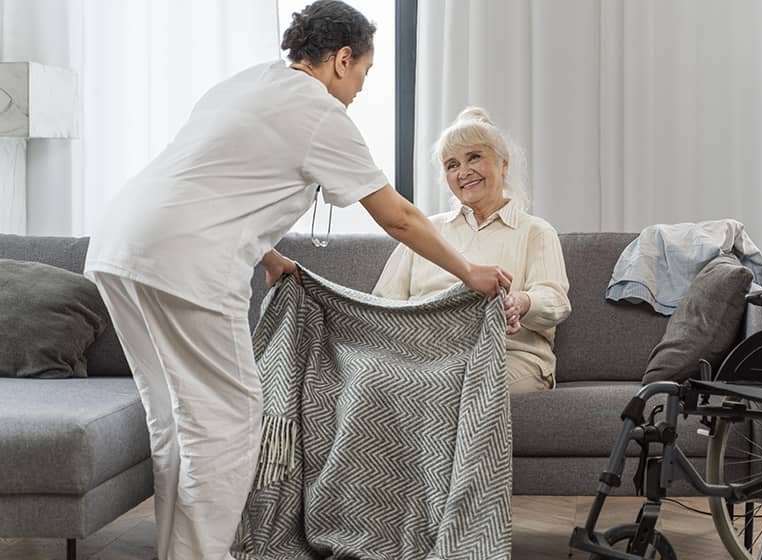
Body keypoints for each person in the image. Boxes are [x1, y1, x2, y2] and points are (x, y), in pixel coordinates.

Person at [82, 3, 512, 559]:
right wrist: (470, 271)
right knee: (230, 427)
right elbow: (397, 216)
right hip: (185, 268)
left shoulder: (246, 83)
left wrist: (268, 255)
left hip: (120, 247)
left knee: (173, 420)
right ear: (341, 59)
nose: (359, 87)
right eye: (363, 73)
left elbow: (214, 181)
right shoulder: (319, 112)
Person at [373, 107, 571, 396]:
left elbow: (555, 301)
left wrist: (521, 302)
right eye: (451, 165)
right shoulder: (425, 231)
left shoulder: (536, 232)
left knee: (454, 385)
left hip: (508, 355)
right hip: (429, 356)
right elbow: (384, 303)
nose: (463, 172)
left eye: (474, 157)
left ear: (504, 164)